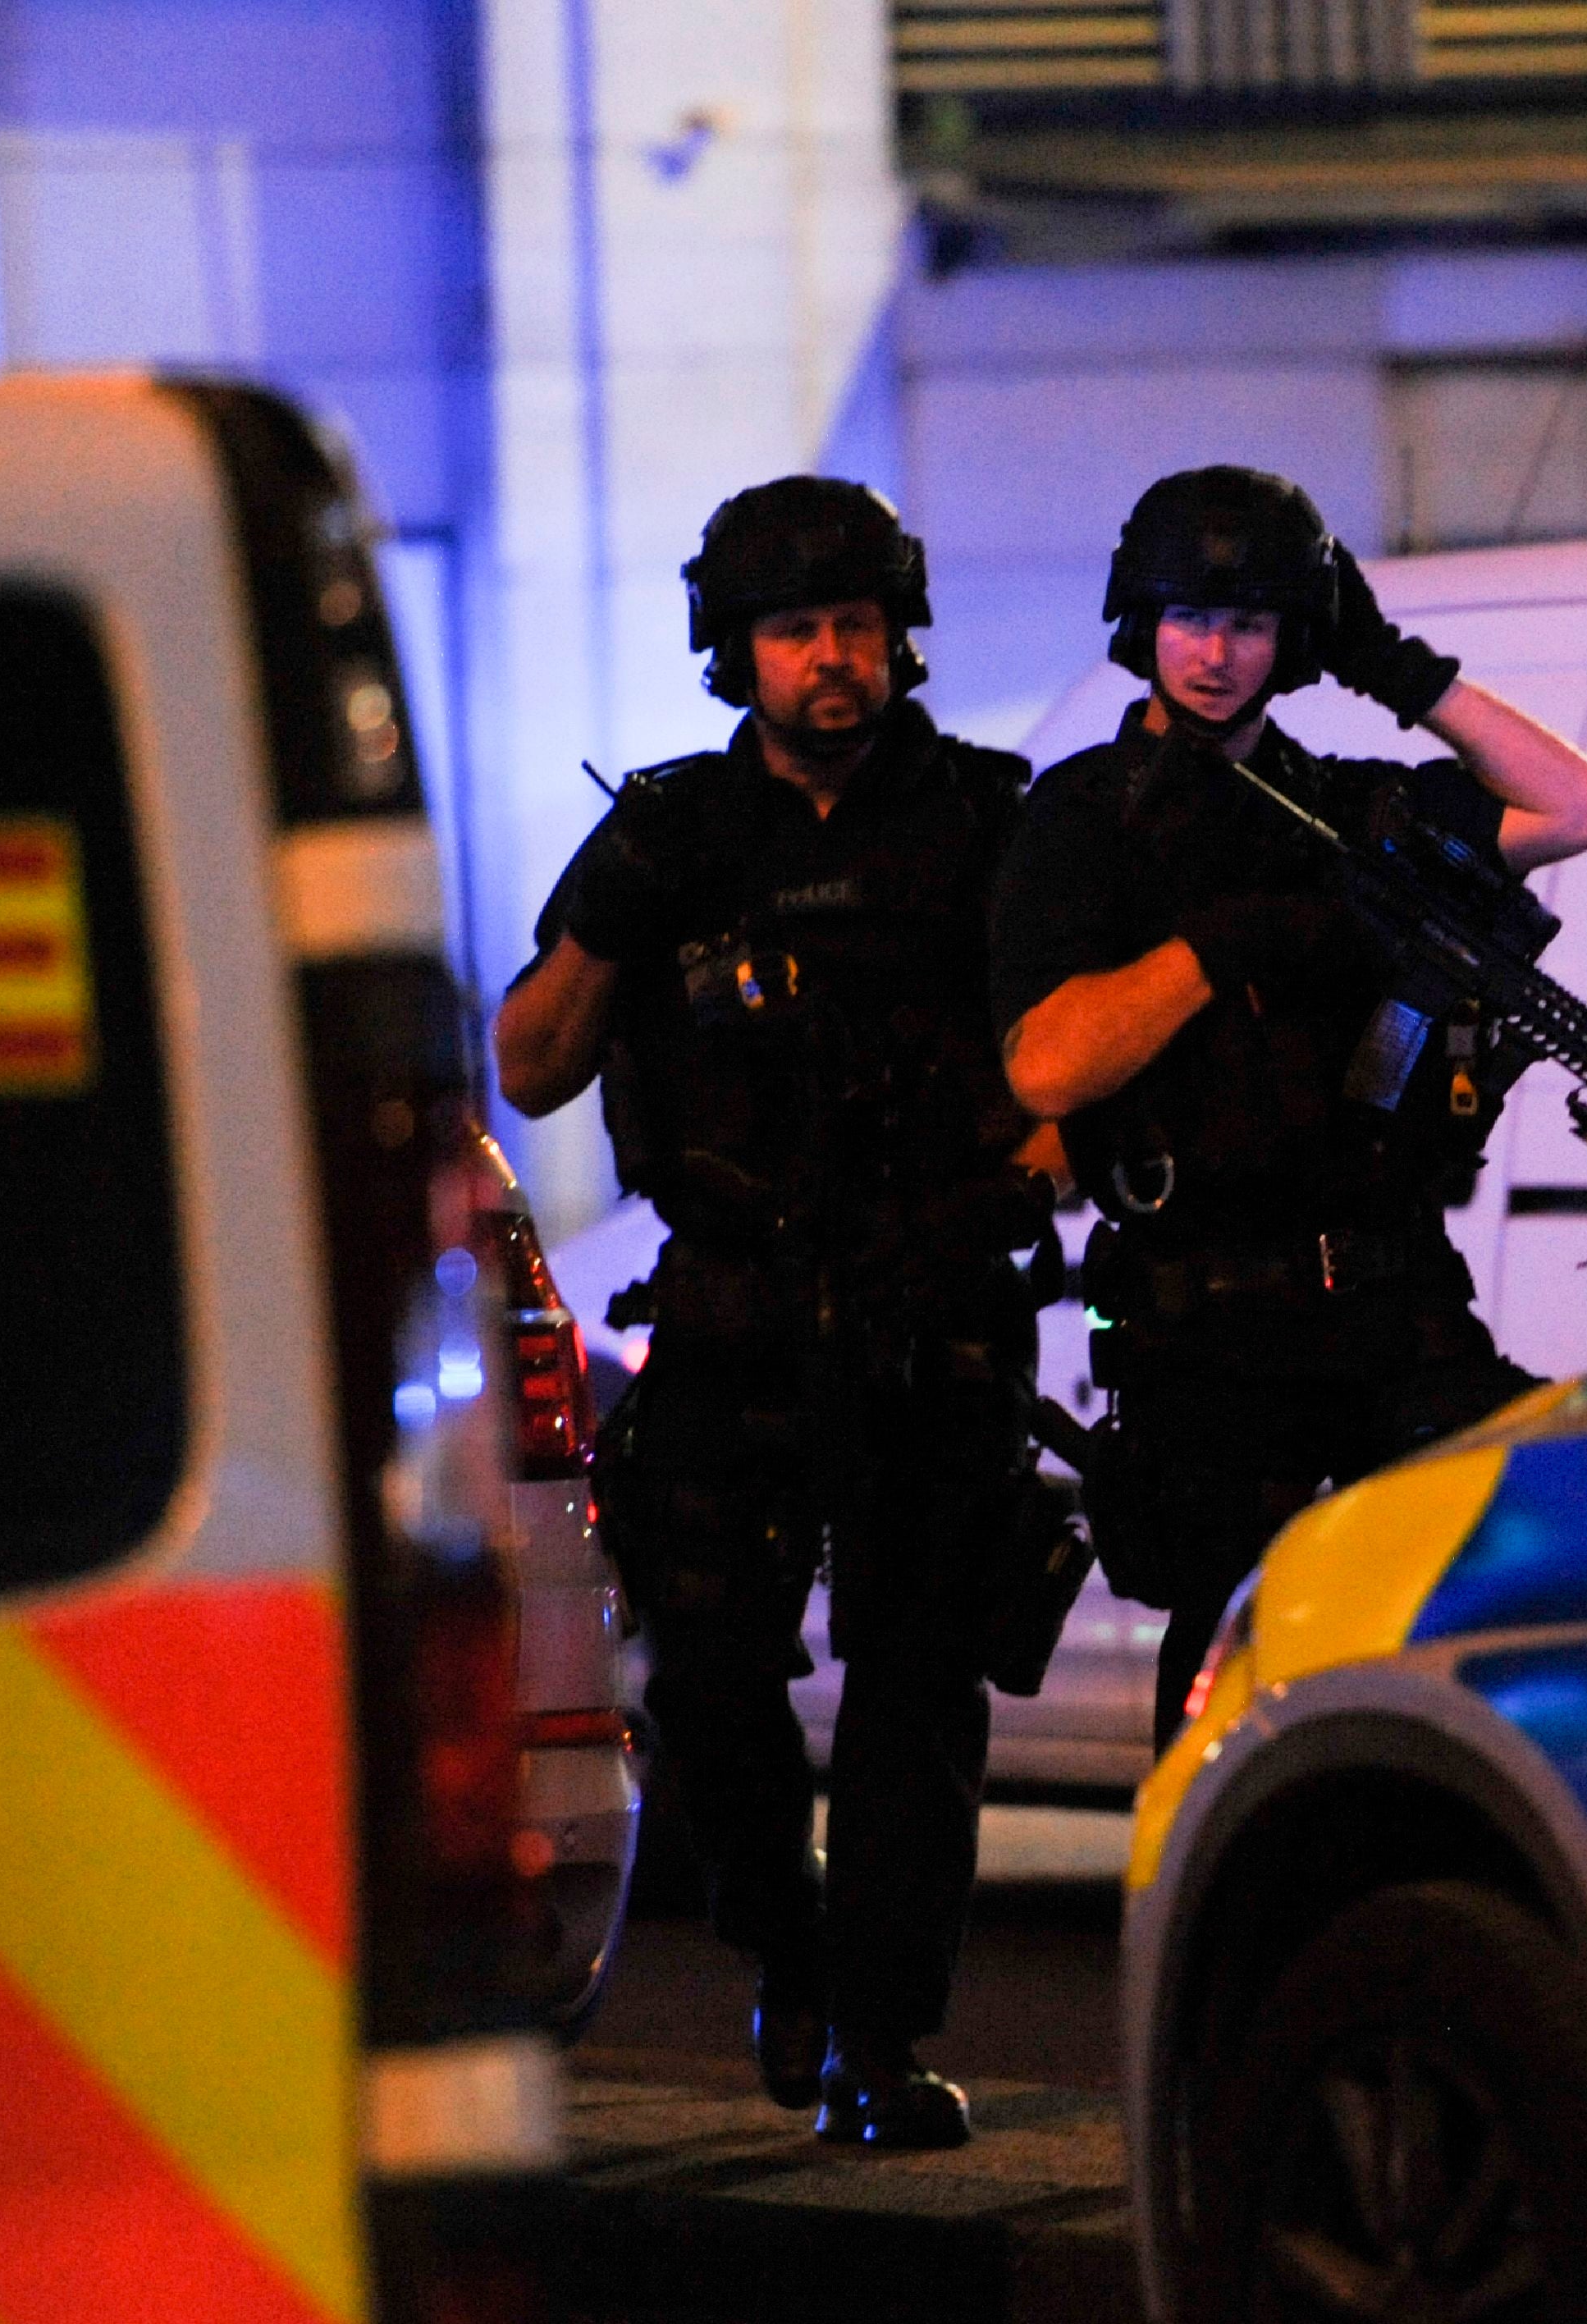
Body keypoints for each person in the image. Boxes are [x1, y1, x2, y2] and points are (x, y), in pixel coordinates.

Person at [494, 476, 1051, 2151]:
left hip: (934, 1306)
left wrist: (1020, 1177)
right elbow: (529, 1064)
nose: (833, 660)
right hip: (733, 1316)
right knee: (716, 1684)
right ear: (735, 652)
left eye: (858, 627)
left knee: (916, 1695)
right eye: (798, 630)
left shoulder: (989, 820)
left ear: (901, 640)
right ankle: (784, 1955)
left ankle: (876, 2038)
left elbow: (1069, 1057)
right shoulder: (672, 831)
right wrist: (616, 907)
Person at [990, 464, 1587, 1743]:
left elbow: (1577, 806)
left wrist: (1397, 669)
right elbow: (1047, 1068)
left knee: (1474, 1623)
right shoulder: (1081, 818)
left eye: (1254, 624)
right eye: (1190, 619)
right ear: (1140, 623)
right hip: (1209, 1325)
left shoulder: (1343, 805)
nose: (1217, 655)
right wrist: (1215, 950)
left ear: (1295, 639)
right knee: (1228, 1661)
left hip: (1393, 1308)